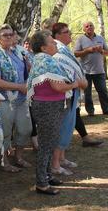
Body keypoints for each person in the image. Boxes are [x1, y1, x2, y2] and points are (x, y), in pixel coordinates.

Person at [27, 30, 79, 195]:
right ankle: (41, 182)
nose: (56, 43)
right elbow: (58, 86)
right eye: (51, 42)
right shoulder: (46, 60)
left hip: (49, 105)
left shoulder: (42, 58)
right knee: (46, 145)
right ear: (43, 47)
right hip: (47, 106)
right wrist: (74, 84)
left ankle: (47, 176)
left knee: (49, 143)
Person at [0, 24, 32, 172]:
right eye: (4, 35)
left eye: (10, 34)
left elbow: (27, 71)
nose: (8, 37)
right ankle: (4, 161)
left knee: (25, 129)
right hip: (5, 100)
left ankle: (19, 157)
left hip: (22, 99)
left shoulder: (18, 52)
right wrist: (19, 87)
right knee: (5, 132)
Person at [51, 23, 88, 175]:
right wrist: (77, 82)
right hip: (64, 93)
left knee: (68, 126)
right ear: (58, 35)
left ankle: (62, 158)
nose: (70, 34)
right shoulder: (57, 49)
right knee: (62, 127)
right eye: (66, 32)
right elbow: (62, 72)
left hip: (73, 91)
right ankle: (55, 163)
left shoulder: (64, 49)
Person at [74, 21, 108, 116]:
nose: (89, 27)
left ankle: (106, 109)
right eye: (87, 26)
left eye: (91, 26)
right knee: (87, 93)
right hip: (85, 71)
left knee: (103, 91)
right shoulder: (80, 39)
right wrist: (87, 50)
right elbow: (76, 54)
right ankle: (90, 111)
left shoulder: (100, 38)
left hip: (99, 70)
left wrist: (101, 50)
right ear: (84, 29)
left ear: (94, 27)